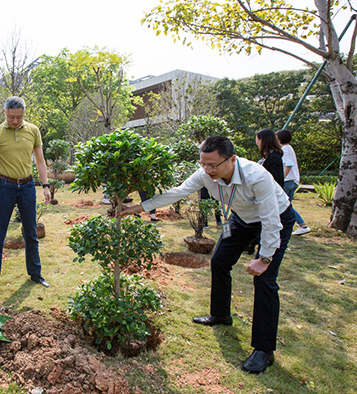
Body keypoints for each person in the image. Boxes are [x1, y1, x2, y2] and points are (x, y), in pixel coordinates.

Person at [120, 136, 295, 374]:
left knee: (264, 280)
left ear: (232, 160)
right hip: (242, 219)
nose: (207, 170)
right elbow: (177, 193)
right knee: (219, 261)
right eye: (204, 164)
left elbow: (271, 221)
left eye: (213, 165)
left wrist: (264, 258)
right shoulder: (205, 174)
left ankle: (264, 351)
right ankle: (221, 315)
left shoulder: (257, 176)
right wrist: (137, 208)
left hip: (276, 219)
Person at [0, 96, 51, 296]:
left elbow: (40, 161)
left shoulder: (33, 131)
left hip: (27, 186)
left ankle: (35, 274)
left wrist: (45, 186)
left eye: (19, 117)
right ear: (5, 113)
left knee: (31, 233)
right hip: (4, 187)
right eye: (11, 117)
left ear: (23, 114)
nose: (15, 121)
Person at [276, 129, 311, 236]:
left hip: (288, 181)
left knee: (283, 205)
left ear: (280, 138)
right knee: (287, 205)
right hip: (293, 180)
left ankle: (302, 225)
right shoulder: (289, 148)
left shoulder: (285, 149)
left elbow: (289, 164)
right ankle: (301, 225)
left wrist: (281, 179)